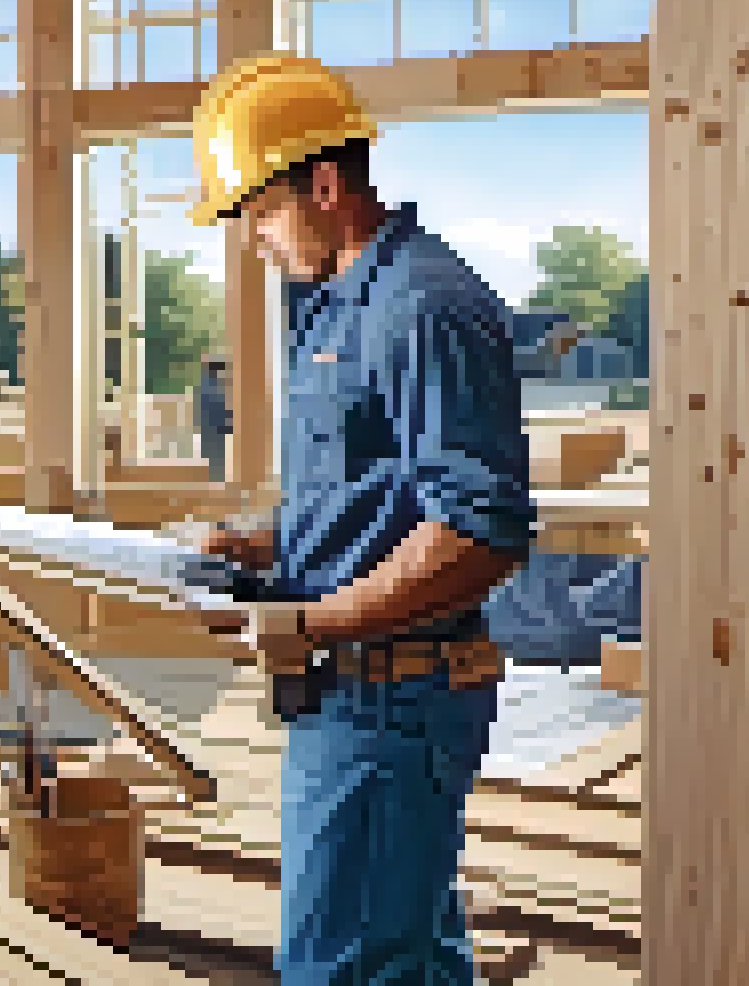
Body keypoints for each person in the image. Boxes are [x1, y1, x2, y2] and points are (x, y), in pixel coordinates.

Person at [187, 52, 533, 985]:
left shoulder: (423, 307)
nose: (253, 239)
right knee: (406, 952)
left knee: (337, 965)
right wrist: (265, 545)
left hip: (391, 700)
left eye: (260, 213)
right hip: (356, 693)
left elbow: (478, 531)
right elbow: (378, 494)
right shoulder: (340, 304)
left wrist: (306, 622)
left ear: (325, 184)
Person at [197, 354, 232, 482]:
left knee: (212, 455)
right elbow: (217, 406)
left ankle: (214, 478)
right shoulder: (215, 385)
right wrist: (228, 422)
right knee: (216, 455)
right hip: (215, 425)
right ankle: (216, 479)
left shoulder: (206, 384)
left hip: (209, 425)